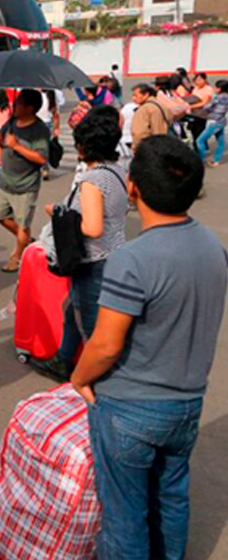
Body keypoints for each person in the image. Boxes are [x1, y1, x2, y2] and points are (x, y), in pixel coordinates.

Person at [71, 136, 227, 560]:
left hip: (131, 407)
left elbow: (105, 344)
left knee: (124, 514)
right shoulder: (215, 248)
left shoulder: (132, 259)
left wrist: (79, 378)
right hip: (187, 402)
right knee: (172, 495)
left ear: (134, 189)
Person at [44, 107, 130, 379]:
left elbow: (92, 228)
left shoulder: (92, 180)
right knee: (71, 310)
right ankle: (62, 359)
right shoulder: (116, 170)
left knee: (93, 328)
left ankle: (99, 382)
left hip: (93, 261)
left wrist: (59, 215)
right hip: (115, 253)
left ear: (84, 147)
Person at [0, 90, 50, 273]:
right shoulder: (11, 122)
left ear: (30, 108)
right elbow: (2, 141)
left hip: (25, 185)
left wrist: (17, 146)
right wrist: (1, 145)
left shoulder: (39, 130)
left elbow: (41, 158)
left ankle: (17, 256)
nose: (14, 105)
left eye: (18, 103)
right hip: (5, 181)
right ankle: (25, 239)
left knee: (24, 223)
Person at [196, 80, 228, 167]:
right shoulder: (226, 97)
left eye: (216, 87)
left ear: (220, 89)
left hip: (214, 121)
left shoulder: (218, 97)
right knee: (221, 142)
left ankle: (202, 159)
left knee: (200, 140)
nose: (214, 89)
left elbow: (207, 106)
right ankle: (216, 160)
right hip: (221, 121)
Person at [130, 84, 171, 151]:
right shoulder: (163, 106)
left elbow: (139, 133)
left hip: (149, 149)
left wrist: (136, 148)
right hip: (164, 145)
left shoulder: (144, 109)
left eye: (135, 95)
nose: (133, 98)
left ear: (146, 94)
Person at [187, 72, 216, 144]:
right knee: (193, 130)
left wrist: (190, 106)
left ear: (205, 80)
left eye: (200, 80)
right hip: (193, 113)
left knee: (199, 131)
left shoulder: (208, 89)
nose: (198, 82)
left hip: (202, 113)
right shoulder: (196, 88)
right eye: (196, 80)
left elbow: (204, 102)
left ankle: (201, 148)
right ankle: (197, 145)